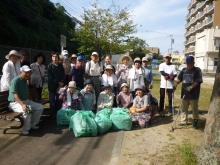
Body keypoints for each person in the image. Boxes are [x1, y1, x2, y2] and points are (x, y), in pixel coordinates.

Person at [8, 65, 44, 135]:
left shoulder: (25, 81)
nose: (28, 74)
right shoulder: (15, 81)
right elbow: (15, 94)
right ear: (21, 72)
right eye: (26, 72)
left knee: (40, 107)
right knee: (28, 110)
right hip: (15, 103)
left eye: (29, 73)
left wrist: (32, 101)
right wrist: (23, 104)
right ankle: (25, 129)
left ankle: (31, 123)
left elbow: (27, 93)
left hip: (26, 101)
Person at [173, 56, 203, 129]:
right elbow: (179, 79)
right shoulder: (184, 70)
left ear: (193, 63)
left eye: (190, 63)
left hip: (193, 94)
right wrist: (175, 83)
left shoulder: (197, 70)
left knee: (194, 108)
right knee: (184, 108)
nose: (189, 64)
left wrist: (191, 87)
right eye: (187, 63)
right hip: (184, 93)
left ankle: (195, 120)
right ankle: (183, 121)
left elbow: (198, 81)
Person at [47, 52, 65, 118]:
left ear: (58, 58)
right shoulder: (49, 66)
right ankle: (52, 114)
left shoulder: (60, 66)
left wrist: (62, 82)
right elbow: (50, 78)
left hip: (60, 86)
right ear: (51, 58)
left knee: (59, 100)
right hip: (52, 86)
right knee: (52, 101)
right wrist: (58, 82)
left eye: (56, 57)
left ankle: (58, 112)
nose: (55, 58)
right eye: (53, 57)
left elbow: (63, 75)